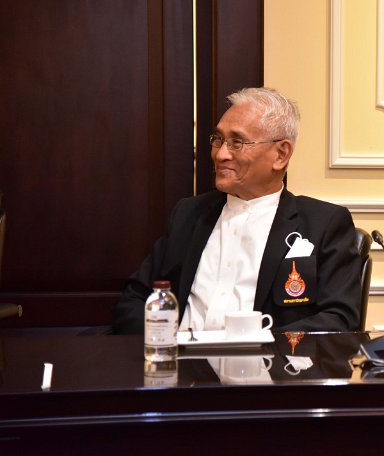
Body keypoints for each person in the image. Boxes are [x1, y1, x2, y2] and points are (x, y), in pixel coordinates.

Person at [113, 87, 362, 333]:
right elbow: (134, 300)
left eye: (237, 142)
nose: (220, 154)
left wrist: (258, 342)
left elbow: (338, 320)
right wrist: (167, 341)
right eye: (218, 139)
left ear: (281, 154)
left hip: (269, 358)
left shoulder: (323, 224)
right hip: (179, 355)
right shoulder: (188, 214)